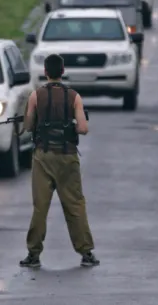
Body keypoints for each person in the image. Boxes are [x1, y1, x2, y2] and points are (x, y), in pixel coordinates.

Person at [19, 54, 99, 268]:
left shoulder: (36, 96)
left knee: (40, 207)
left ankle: (33, 254)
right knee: (75, 205)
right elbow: (83, 128)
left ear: (45, 72)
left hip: (43, 157)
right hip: (67, 156)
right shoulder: (74, 96)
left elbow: (27, 126)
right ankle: (86, 252)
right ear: (62, 72)